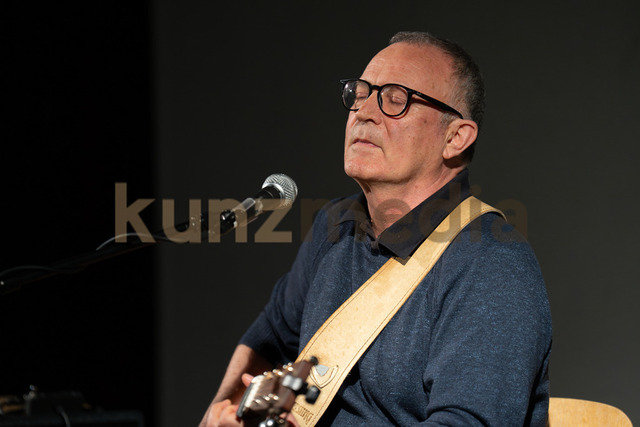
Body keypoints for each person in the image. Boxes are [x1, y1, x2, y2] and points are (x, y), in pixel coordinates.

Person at [200, 31, 552, 426]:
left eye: (396, 99)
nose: (363, 112)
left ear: (455, 138)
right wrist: (219, 417)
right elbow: (269, 340)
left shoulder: (492, 264)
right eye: (360, 93)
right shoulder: (333, 227)